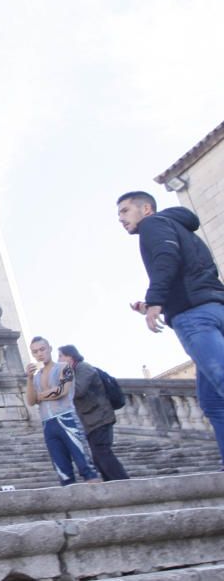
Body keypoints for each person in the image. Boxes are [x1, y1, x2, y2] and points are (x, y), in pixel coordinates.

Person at [118, 191, 224, 466]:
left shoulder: (153, 226)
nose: (120, 218)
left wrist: (155, 301)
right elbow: (189, 277)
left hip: (195, 318)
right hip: (214, 309)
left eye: (125, 211)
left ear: (146, 209)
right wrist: (153, 304)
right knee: (212, 402)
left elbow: (166, 257)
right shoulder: (181, 228)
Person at [25, 337, 101, 486]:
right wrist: (29, 378)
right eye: (35, 352)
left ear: (49, 349)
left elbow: (62, 390)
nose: (40, 354)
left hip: (66, 417)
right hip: (48, 423)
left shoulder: (64, 367)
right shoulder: (36, 376)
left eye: (42, 349)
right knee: (62, 469)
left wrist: (39, 396)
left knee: (85, 464)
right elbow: (30, 401)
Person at [60, 345, 130, 481]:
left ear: (70, 356)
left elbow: (79, 390)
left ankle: (122, 483)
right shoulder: (75, 371)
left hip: (100, 417)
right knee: (98, 457)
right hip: (91, 420)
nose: (59, 359)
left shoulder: (83, 368)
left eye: (61, 356)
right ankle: (112, 484)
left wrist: (65, 378)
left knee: (102, 453)